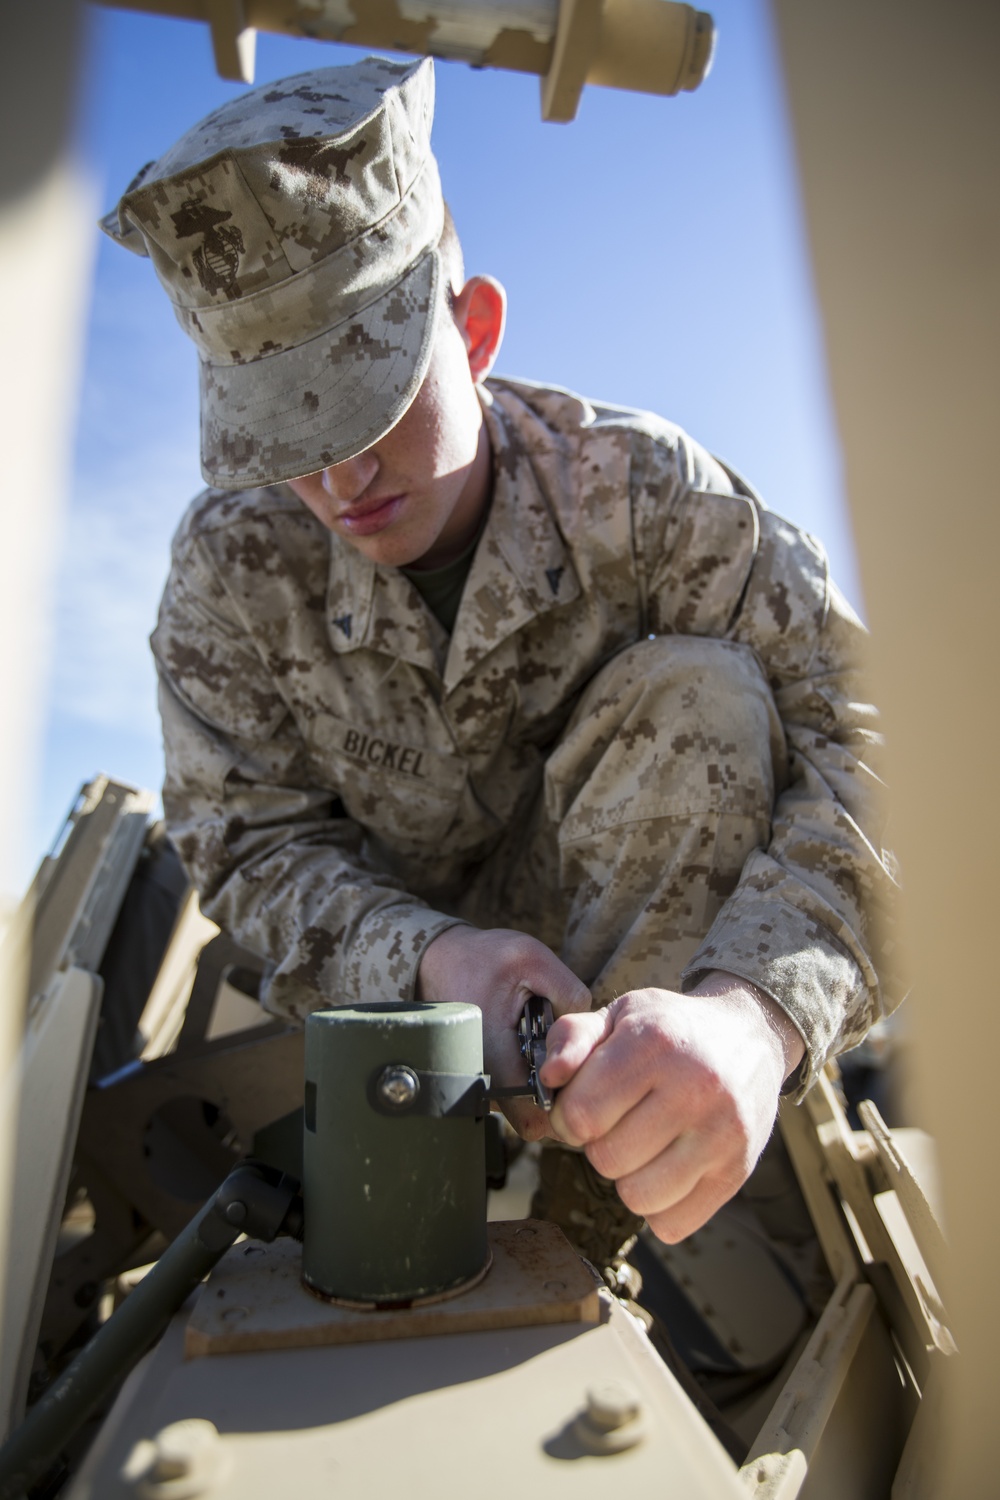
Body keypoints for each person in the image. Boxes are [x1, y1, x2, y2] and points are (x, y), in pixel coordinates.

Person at [104, 55, 899, 1259]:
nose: (337, 480)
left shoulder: (644, 496)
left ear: (473, 332)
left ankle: (606, 1218)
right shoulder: (232, 571)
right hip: (386, 1030)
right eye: (286, 434)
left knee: (699, 700)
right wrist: (426, 962)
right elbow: (248, 843)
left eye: (368, 408)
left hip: (645, 1009)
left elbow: (890, 750)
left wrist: (757, 1019)